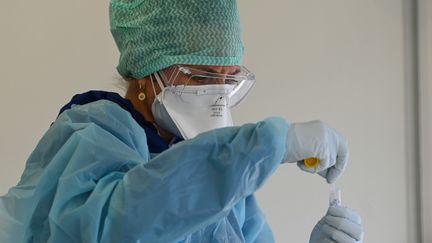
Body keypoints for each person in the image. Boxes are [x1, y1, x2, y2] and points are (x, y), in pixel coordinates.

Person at [0, 0, 364, 242]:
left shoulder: (217, 170)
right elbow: (117, 226)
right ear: (147, 71)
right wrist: (270, 144)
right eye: (201, 76)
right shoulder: (91, 134)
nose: (218, 93)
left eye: (229, 78)